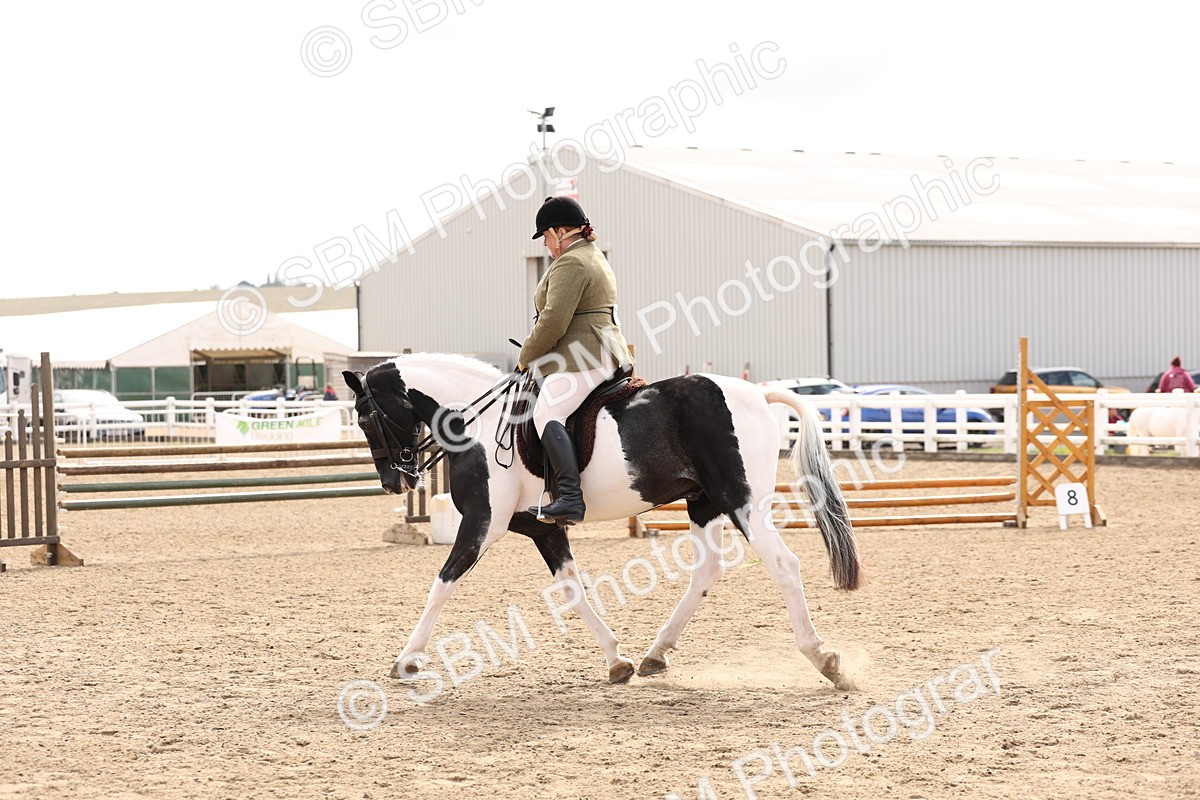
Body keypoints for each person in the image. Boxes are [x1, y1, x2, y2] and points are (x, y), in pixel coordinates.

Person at [517, 196, 634, 524]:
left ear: (559, 232)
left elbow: (553, 320)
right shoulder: (592, 255)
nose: (545, 244)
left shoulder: (572, 262)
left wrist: (526, 356)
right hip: (602, 349)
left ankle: (570, 498)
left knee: (547, 411)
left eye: (545, 236)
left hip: (586, 354)